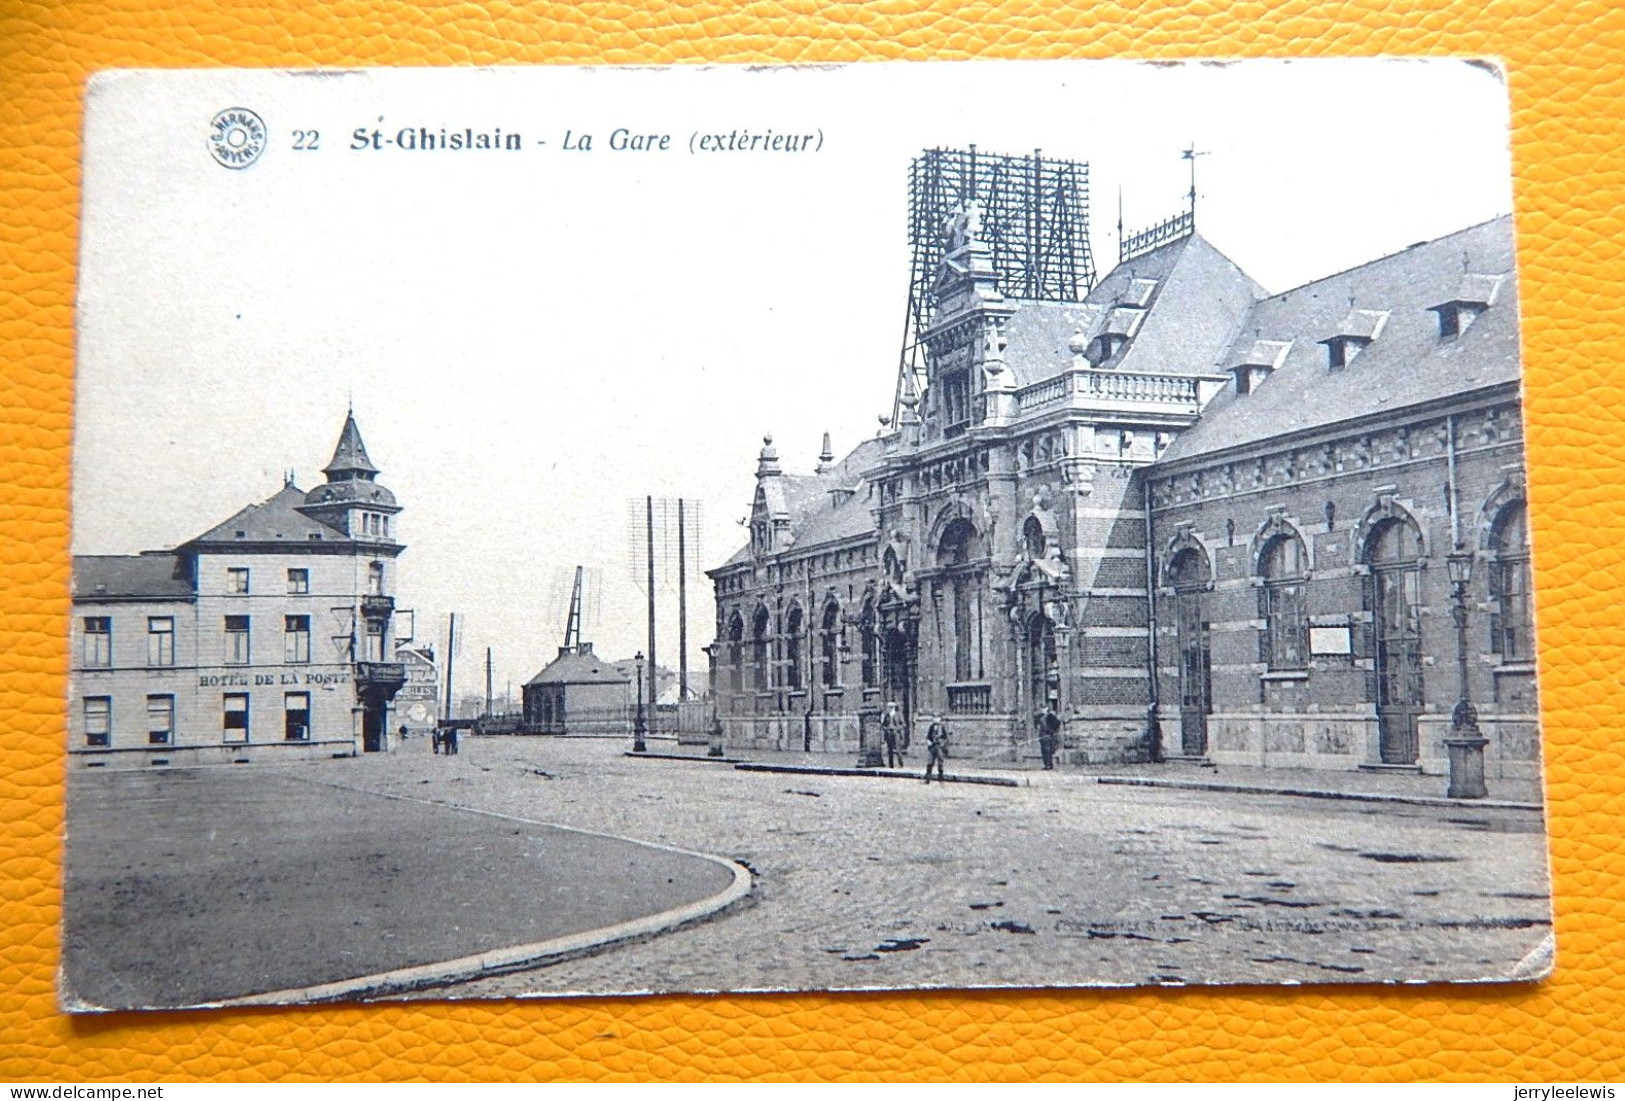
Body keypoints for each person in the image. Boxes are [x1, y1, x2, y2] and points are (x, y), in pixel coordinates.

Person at [923, 714, 949, 784]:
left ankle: (941, 778)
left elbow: (945, 737)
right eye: (934, 718)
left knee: (940, 762)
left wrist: (942, 744)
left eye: (937, 718)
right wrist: (928, 741)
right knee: (929, 762)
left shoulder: (942, 727)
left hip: (939, 747)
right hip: (932, 746)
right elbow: (928, 736)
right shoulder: (931, 727)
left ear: (940, 719)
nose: (936, 719)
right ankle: (927, 778)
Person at [1037, 703, 1062, 770]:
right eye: (1041, 708)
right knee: (1044, 751)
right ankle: (1047, 764)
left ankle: (1048, 765)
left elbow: (1057, 723)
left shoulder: (1050, 716)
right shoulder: (1041, 716)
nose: (1042, 710)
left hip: (1048, 736)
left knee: (1048, 751)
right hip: (1042, 736)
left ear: (1046, 708)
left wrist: (1052, 731)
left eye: (1044, 708)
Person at [881, 702, 903, 768]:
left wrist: (897, 729)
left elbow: (903, 724)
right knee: (890, 749)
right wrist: (886, 729)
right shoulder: (887, 715)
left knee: (898, 749)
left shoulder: (898, 715)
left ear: (893, 708)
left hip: (896, 733)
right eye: (888, 707)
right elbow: (883, 725)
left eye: (890, 707)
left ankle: (900, 763)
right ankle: (891, 765)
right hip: (889, 733)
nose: (888, 709)